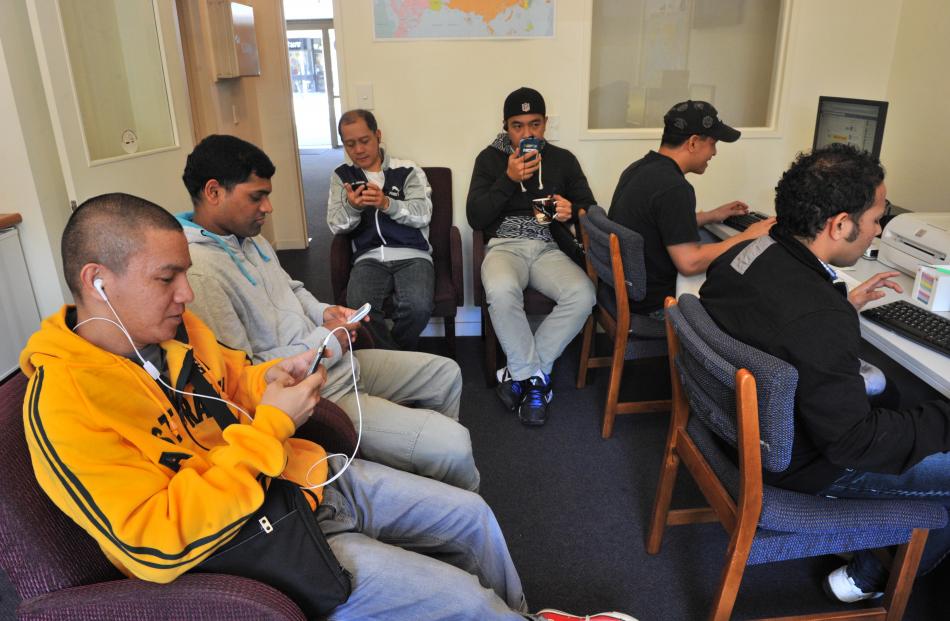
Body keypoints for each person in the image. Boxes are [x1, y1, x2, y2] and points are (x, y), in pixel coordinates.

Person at [20, 192, 637, 621]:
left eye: (185, 273)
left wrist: (273, 377)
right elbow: (153, 544)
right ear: (99, 282)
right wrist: (271, 426)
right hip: (259, 546)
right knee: (468, 602)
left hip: (299, 478)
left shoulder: (172, 334)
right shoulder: (66, 404)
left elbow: (235, 377)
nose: (186, 292)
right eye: (167, 278)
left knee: (472, 517)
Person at [699, 144, 950, 603]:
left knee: (904, 401)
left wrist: (838, 304)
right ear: (839, 224)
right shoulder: (816, 318)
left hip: (736, 432)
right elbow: (854, 442)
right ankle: (868, 576)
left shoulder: (755, 249)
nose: (877, 229)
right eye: (878, 217)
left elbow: (769, 313)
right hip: (801, 463)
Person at [178, 134, 479, 492]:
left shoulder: (251, 240)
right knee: (455, 445)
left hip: (337, 362)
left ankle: (427, 479)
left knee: (446, 373)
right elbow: (244, 373)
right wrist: (328, 340)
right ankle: (442, 484)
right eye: (257, 196)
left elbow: (292, 289)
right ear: (213, 192)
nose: (268, 207)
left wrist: (324, 312)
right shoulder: (199, 272)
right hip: (321, 393)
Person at [467, 86, 596, 426]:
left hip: (547, 247)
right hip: (504, 246)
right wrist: (508, 180)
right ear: (506, 126)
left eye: (534, 124)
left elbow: (591, 209)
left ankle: (521, 373)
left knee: (583, 294)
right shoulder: (489, 159)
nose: (527, 133)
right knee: (500, 290)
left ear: (545, 124)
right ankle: (536, 380)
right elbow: (475, 217)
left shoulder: (563, 159)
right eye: (518, 125)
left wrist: (574, 210)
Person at [608, 100, 775, 316]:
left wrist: (712, 216)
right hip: (656, 305)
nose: (714, 153)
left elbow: (657, 222)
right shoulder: (674, 187)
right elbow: (690, 262)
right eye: (713, 144)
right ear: (694, 142)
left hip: (628, 292)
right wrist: (747, 236)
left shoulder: (639, 168)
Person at [327, 109, 434, 351]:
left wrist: (387, 204)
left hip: (413, 255)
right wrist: (354, 208)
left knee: (418, 307)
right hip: (368, 258)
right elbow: (335, 224)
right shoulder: (342, 176)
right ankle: (401, 364)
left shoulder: (407, 170)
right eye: (350, 144)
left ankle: (392, 361)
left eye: (364, 141)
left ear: (377, 135)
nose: (359, 150)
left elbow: (423, 214)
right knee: (359, 310)